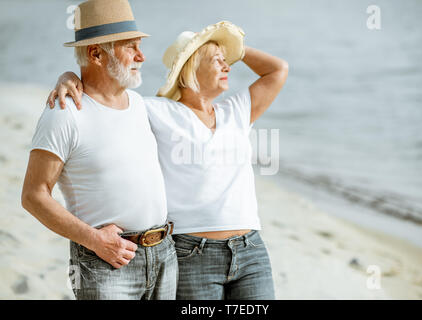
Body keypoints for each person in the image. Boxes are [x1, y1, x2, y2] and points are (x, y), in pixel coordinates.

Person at [48, 21, 288, 299]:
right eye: (217, 61)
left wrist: (234, 47)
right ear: (191, 68)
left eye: (227, 60)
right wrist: (68, 77)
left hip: (251, 250)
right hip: (192, 252)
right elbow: (103, 95)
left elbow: (277, 70)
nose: (228, 67)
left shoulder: (237, 111)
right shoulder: (154, 110)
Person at [22, 0, 177, 300]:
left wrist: (67, 74)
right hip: (105, 262)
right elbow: (33, 195)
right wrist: (94, 240)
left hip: (163, 256)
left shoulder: (141, 105)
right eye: (130, 47)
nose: (142, 56)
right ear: (96, 53)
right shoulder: (63, 114)